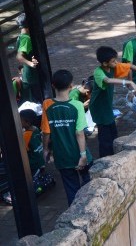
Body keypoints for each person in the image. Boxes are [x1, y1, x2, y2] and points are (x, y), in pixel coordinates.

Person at [89, 46, 136, 157]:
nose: (116, 63)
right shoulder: (98, 72)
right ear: (105, 63)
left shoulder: (112, 66)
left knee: (113, 132)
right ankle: (105, 158)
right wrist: (128, 83)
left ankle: (114, 154)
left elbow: (129, 66)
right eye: (113, 61)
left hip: (107, 106)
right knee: (105, 137)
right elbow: (108, 80)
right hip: (99, 108)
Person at [41, 69, 93, 206]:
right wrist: (83, 155)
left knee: (71, 190)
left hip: (62, 157)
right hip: (78, 154)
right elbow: (79, 133)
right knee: (89, 184)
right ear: (71, 86)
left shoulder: (47, 104)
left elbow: (46, 132)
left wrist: (45, 149)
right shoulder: (77, 105)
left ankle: (74, 214)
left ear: (53, 85)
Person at [16, 13, 42, 103]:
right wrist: (31, 63)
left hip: (29, 76)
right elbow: (19, 56)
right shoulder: (26, 39)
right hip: (32, 77)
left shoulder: (20, 37)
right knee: (38, 101)